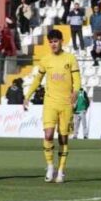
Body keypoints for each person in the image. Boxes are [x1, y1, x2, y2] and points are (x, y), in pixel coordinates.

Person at [24, 30, 81, 183]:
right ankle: (50, 166)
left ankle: (61, 170)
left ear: (61, 41)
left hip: (66, 104)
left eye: (55, 41)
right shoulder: (45, 60)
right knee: (48, 134)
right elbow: (37, 79)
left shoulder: (70, 58)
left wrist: (76, 91)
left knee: (63, 138)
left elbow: (77, 78)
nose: (53, 44)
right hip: (50, 102)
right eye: (51, 41)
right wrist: (27, 95)